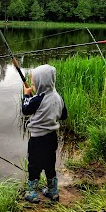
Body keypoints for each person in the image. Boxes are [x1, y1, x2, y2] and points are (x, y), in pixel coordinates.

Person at [22, 64, 67, 203]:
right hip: (52, 138)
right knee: (49, 164)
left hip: (37, 140)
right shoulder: (58, 97)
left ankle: (32, 193)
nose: (33, 86)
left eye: (34, 84)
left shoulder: (37, 100)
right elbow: (64, 115)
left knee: (34, 166)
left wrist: (26, 94)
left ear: (42, 83)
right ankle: (53, 192)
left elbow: (25, 109)